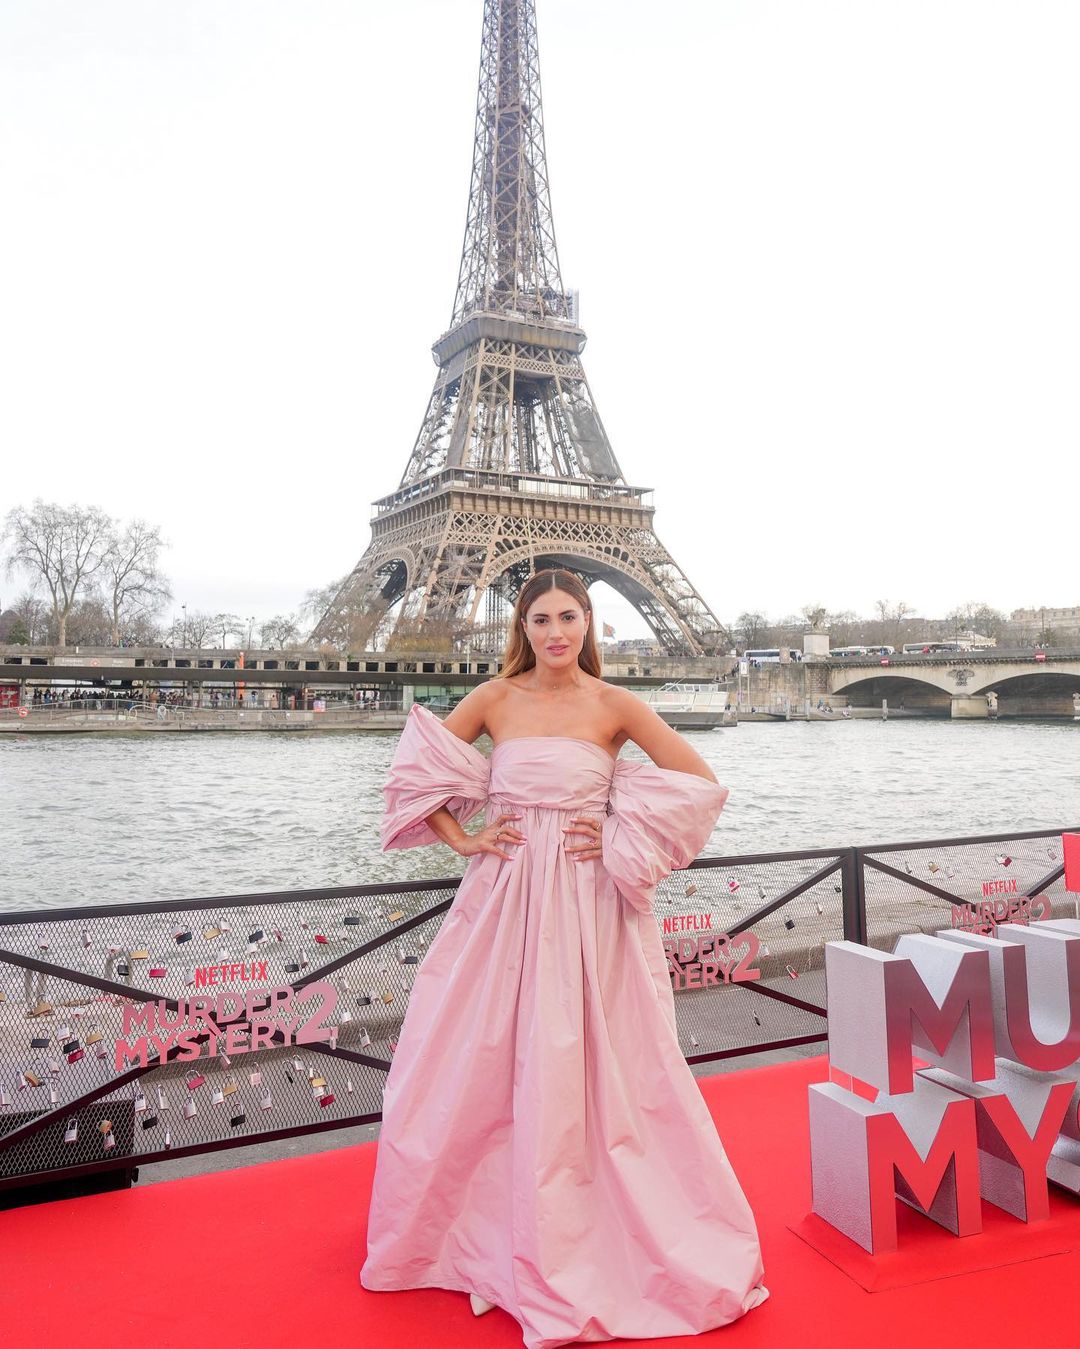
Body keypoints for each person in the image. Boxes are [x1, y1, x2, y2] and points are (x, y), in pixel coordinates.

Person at [359, 568, 767, 1349]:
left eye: (569, 617)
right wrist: (468, 840)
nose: (556, 631)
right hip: (503, 900)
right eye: (542, 618)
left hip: (589, 903)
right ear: (523, 625)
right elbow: (417, 779)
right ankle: (481, 1233)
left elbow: (699, 782)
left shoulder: (615, 704)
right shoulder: (494, 697)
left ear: (588, 623)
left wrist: (616, 827)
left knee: (598, 1061)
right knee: (475, 1056)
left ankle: (585, 1234)